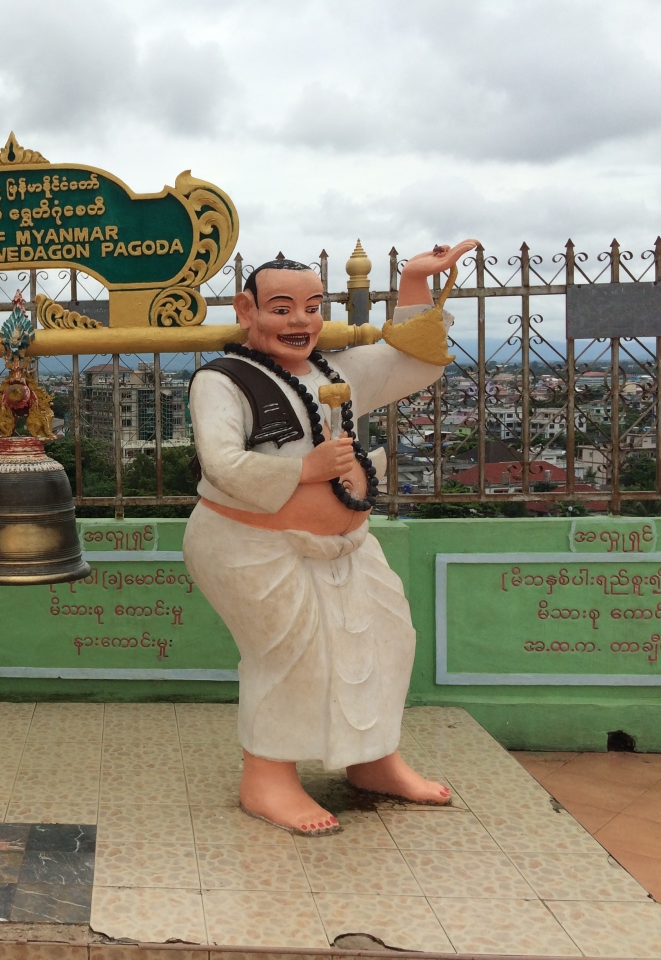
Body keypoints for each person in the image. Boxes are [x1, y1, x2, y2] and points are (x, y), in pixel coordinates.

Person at [183, 242, 476, 836]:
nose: (300, 321)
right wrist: (306, 470)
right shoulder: (220, 381)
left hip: (348, 545)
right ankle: (266, 777)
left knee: (388, 641)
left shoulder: (334, 370)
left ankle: (374, 759)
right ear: (246, 310)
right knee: (291, 657)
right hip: (250, 543)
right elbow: (221, 464)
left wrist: (414, 282)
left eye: (313, 308)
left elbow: (413, 362)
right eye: (282, 308)